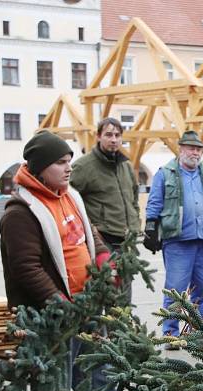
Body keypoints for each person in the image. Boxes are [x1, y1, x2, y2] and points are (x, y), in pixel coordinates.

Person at [0, 130, 131, 391]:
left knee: (98, 376)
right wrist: (60, 304)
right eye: (61, 162)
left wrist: (104, 259)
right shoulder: (20, 212)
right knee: (52, 386)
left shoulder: (70, 197)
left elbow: (91, 234)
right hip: (50, 317)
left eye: (70, 160)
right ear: (41, 168)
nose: (69, 167)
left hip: (85, 309)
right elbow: (27, 268)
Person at [143, 130, 203, 339]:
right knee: (175, 290)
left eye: (199, 149)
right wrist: (151, 228)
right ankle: (171, 334)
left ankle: (199, 334)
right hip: (177, 241)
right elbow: (154, 203)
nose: (195, 153)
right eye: (191, 148)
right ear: (181, 149)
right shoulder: (165, 173)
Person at [70, 117, 140, 301]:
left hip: (126, 241)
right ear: (98, 136)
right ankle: (100, 330)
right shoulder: (84, 166)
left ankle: (122, 329)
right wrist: (89, 229)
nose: (114, 139)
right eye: (108, 134)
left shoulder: (125, 165)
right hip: (103, 240)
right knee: (104, 293)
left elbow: (133, 198)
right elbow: (69, 198)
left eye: (118, 135)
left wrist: (135, 223)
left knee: (124, 295)